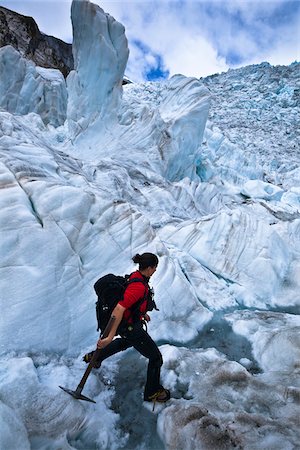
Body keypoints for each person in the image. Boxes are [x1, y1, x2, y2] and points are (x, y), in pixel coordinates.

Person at [83, 252, 170, 404]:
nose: (156, 270)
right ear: (149, 268)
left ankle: (95, 357)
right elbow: (119, 309)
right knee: (155, 358)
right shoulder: (138, 286)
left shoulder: (136, 276)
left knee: (126, 342)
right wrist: (109, 336)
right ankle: (152, 392)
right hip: (129, 327)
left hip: (130, 324)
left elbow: (132, 305)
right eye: (155, 267)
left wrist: (141, 315)